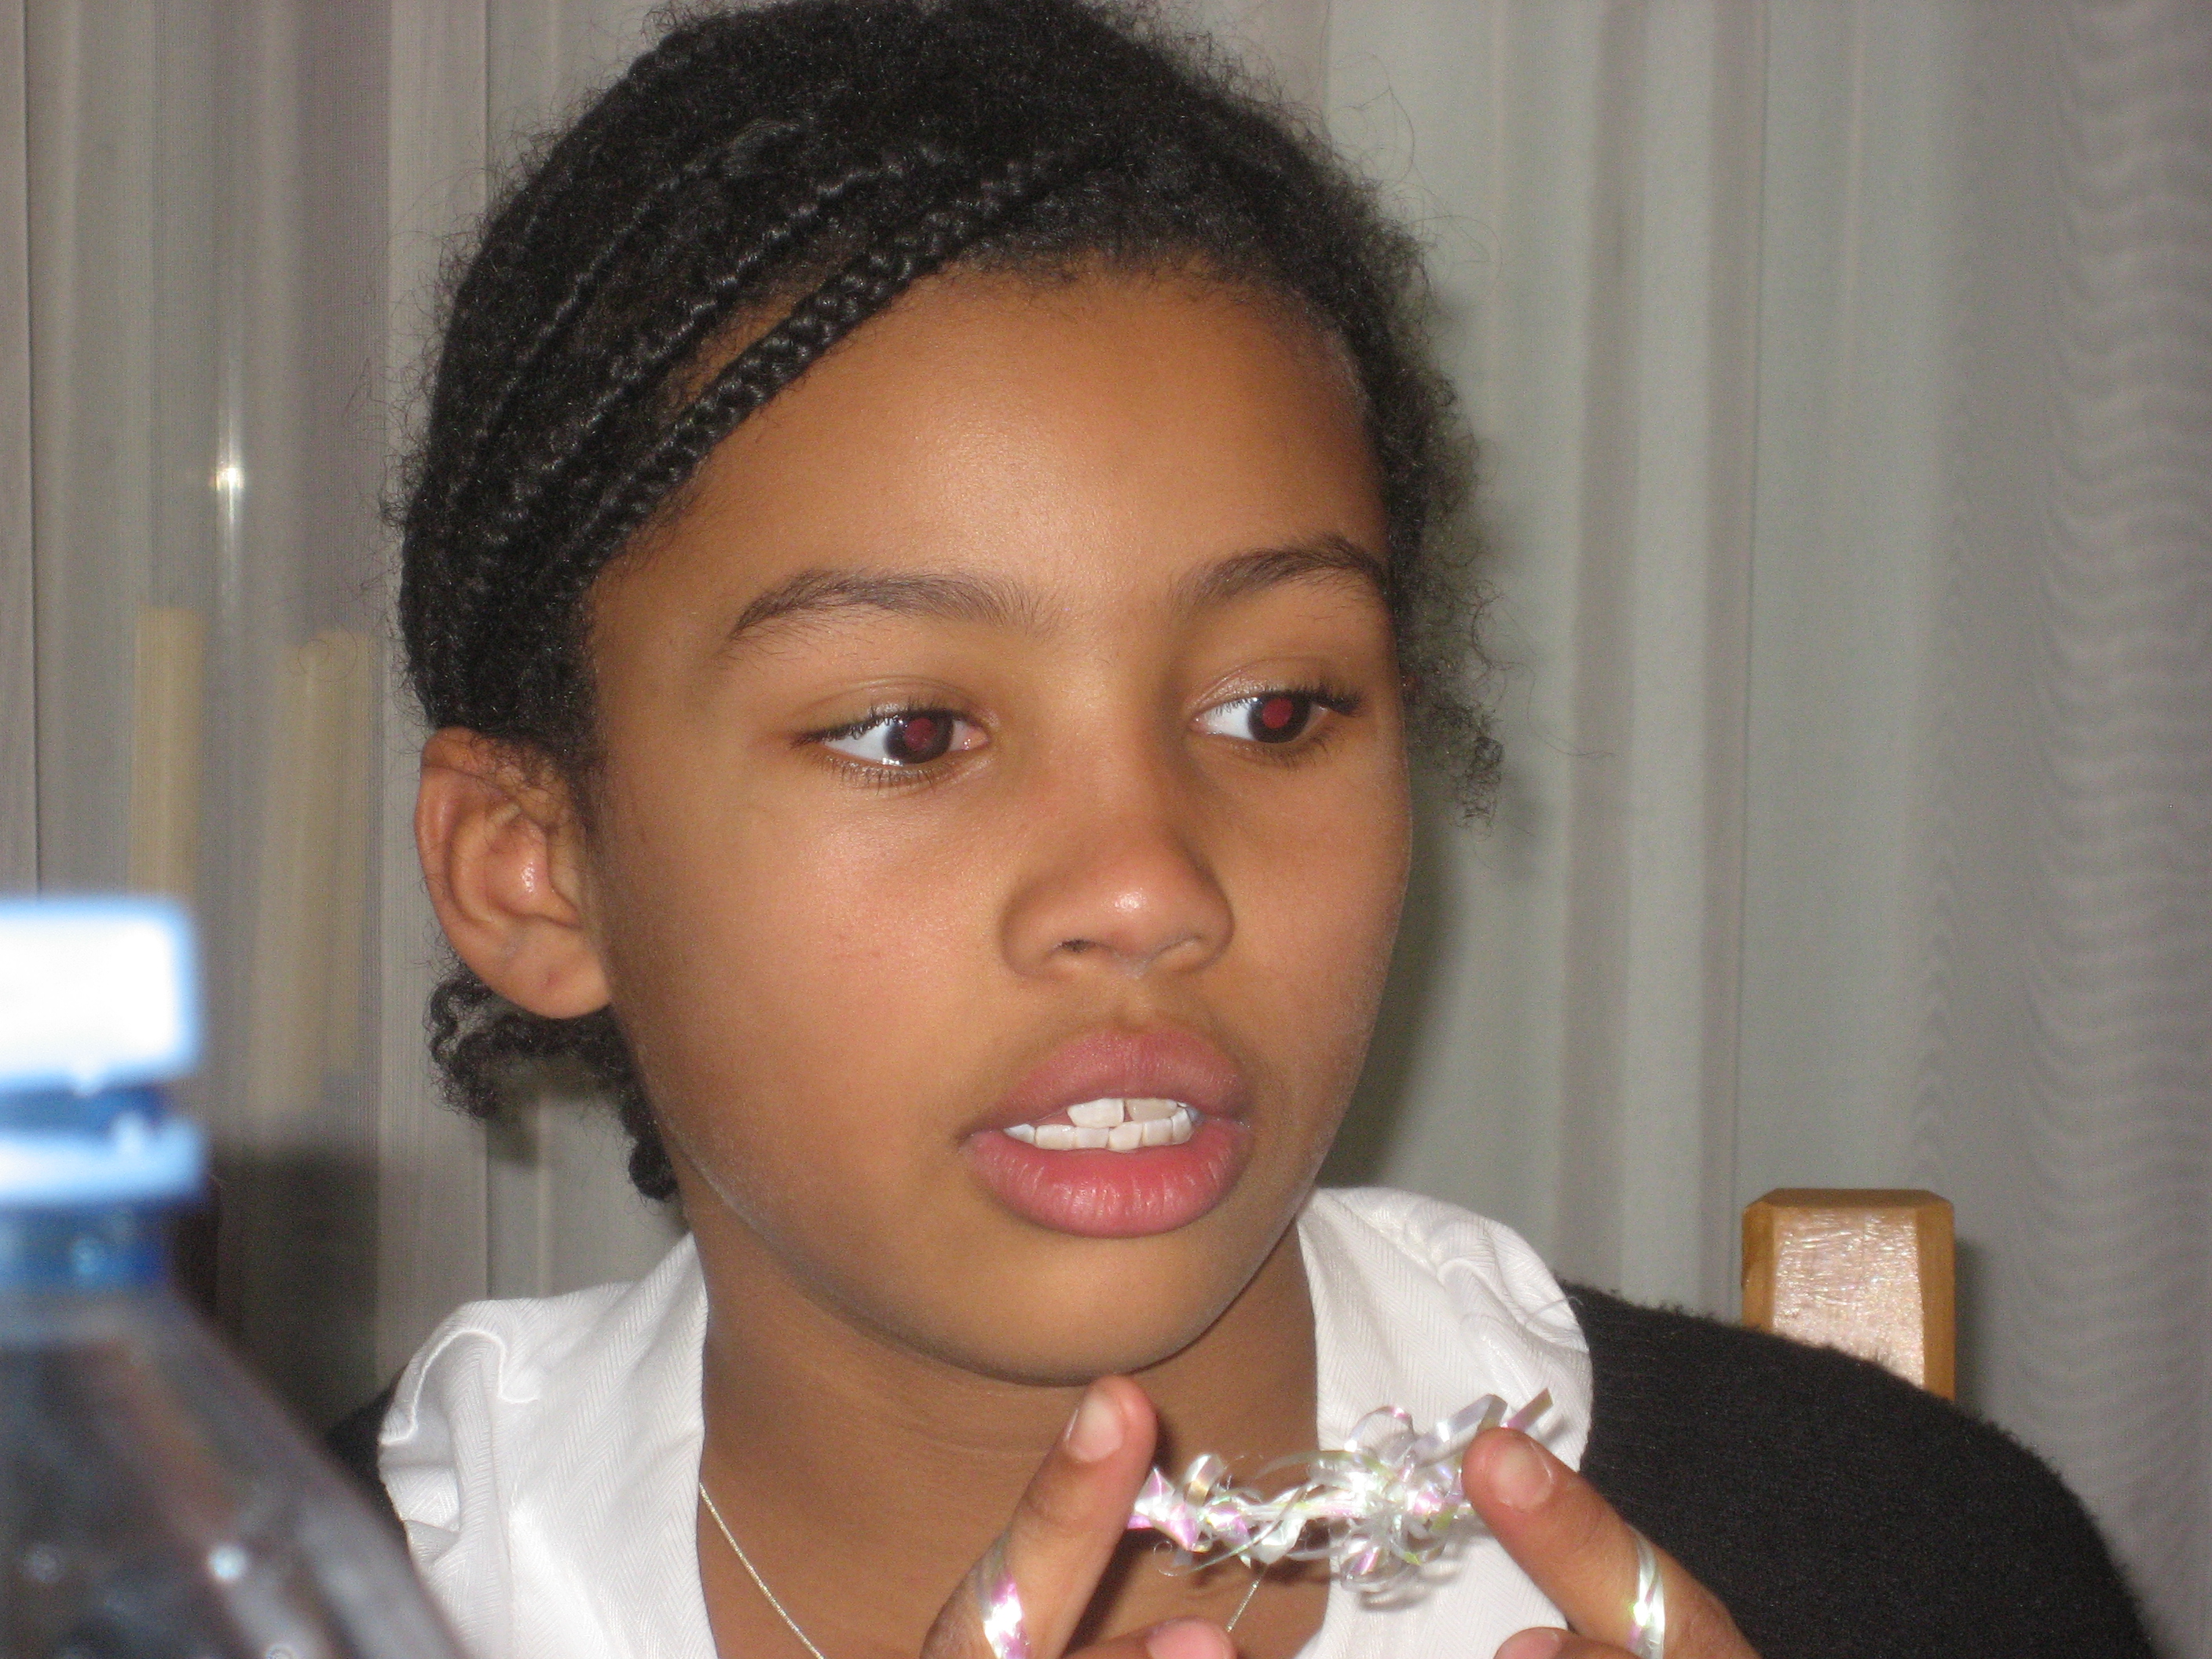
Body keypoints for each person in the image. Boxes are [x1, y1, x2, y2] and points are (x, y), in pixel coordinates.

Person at [346, 2, 2153, 1655]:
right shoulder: (284, 1594)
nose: (1147, 888)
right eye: (914, 733)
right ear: (535, 870)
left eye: (1275, 712)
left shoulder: (1898, 1570)